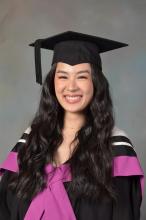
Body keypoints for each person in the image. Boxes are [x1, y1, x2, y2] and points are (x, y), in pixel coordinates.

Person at [0, 31, 144, 220]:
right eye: (63, 76)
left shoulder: (116, 148)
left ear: (95, 83)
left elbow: (124, 213)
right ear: (52, 83)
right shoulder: (31, 142)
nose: (71, 87)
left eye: (82, 77)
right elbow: (5, 206)